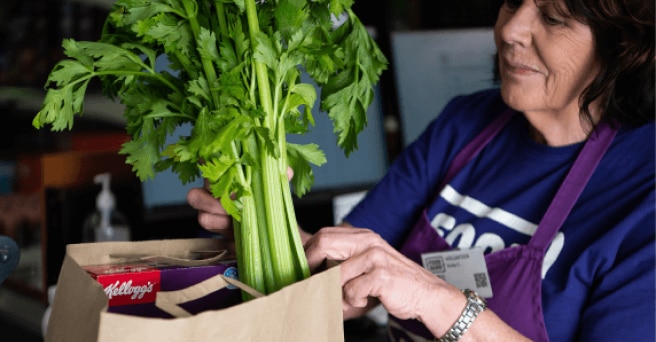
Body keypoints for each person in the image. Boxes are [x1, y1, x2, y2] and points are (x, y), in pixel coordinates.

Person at [187, 0, 655, 340]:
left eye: (552, 17)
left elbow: (413, 286)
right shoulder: (467, 124)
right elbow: (344, 279)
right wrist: (259, 225)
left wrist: (436, 300)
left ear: (623, 45)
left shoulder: (644, 193)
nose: (511, 28)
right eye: (511, 1)